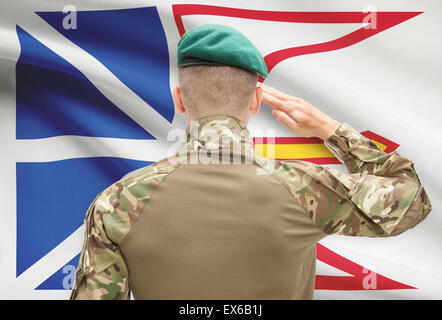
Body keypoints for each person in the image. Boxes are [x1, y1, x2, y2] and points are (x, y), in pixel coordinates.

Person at [70, 24, 432, 300]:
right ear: (256, 100)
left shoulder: (116, 203)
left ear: (179, 99)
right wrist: (330, 130)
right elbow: (412, 198)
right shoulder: (305, 188)